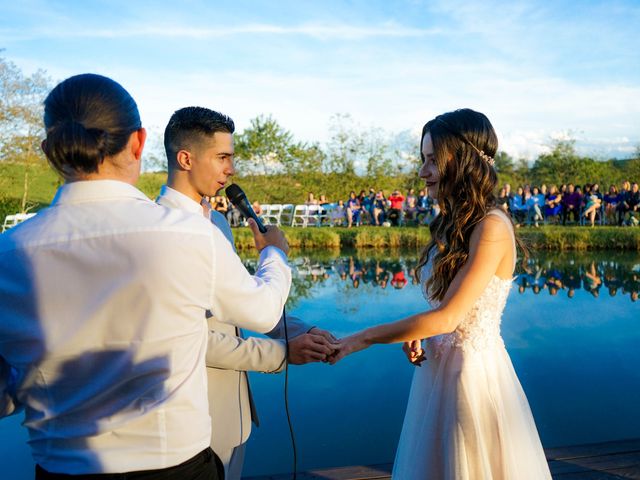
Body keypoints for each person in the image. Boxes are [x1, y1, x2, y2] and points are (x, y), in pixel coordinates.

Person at [0, 74, 292, 480]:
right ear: (139, 142)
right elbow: (262, 311)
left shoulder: (8, 253)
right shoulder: (187, 234)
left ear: (50, 150)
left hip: (61, 468)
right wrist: (275, 254)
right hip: (176, 469)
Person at [331, 109, 551, 479]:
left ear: (461, 159)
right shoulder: (454, 224)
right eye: (423, 159)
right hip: (439, 370)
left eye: (433, 159)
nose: (423, 171)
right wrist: (420, 330)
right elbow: (447, 314)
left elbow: (449, 317)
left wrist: (360, 339)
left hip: (473, 377)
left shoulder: (492, 227)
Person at [156, 106, 338, 479]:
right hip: (192, 415)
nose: (231, 169)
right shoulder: (161, 229)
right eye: (223, 157)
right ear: (185, 158)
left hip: (232, 409)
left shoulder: (218, 222)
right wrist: (284, 352)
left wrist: (300, 330)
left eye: (231, 158)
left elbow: (243, 303)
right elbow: (193, 339)